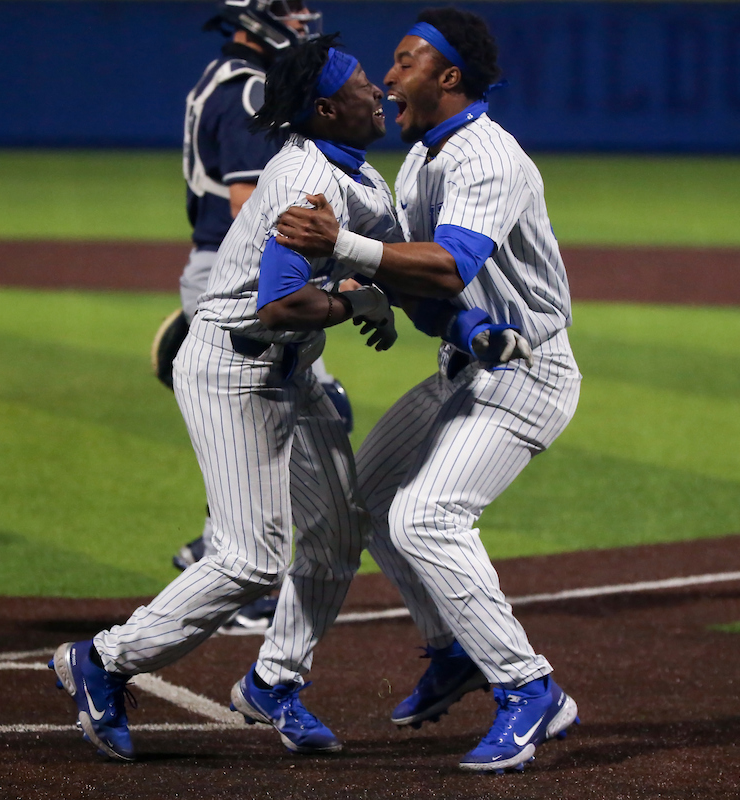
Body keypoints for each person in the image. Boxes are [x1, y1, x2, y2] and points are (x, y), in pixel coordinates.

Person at [50, 35, 400, 762]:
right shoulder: (309, 183)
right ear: (328, 109)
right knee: (250, 561)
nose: (377, 92)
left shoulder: (362, 179)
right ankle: (103, 661)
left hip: (291, 373)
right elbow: (280, 305)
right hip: (233, 370)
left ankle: (273, 681)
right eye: (363, 84)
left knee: (337, 538)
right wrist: (356, 304)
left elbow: (397, 269)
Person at [271, 7, 582, 773]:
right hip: (470, 366)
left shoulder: (485, 158)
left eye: (405, 61)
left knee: (426, 517)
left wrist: (342, 247)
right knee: (366, 501)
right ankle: (454, 652)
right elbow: (420, 292)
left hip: (527, 373)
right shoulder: (421, 159)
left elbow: (445, 268)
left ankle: (529, 686)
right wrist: (414, 304)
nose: (386, 77)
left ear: (448, 77)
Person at [150, 0, 352, 635]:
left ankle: (211, 546)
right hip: (232, 277)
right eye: (288, 6)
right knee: (277, 424)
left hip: (215, 271)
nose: (303, 16)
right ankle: (228, 567)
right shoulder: (249, 90)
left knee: (285, 420)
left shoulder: (226, 76)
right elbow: (248, 209)